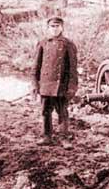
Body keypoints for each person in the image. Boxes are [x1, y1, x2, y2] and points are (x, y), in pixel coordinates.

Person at [32, 14, 79, 146]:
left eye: (57, 26)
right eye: (52, 26)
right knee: (45, 111)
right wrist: (34, 84)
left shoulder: (68, 44)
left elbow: (73, 69)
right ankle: (47, 136)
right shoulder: (42, 43)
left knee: (62, 112)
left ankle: (64, 138)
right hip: (46, 84)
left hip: (61, 85)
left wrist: (72, 87)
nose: (54, 29)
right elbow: (36, 66)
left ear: (62, 27)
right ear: (48, 28)